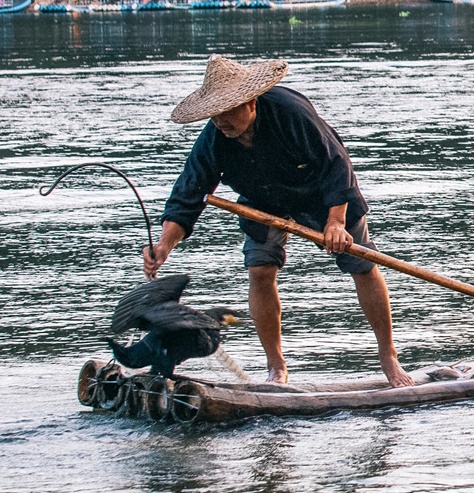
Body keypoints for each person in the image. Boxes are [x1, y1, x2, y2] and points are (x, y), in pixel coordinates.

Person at [144, 54, 413, 387]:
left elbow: (336, 165)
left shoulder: (290, 113)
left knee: (361, 264)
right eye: (214, 116)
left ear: (251, 104)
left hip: (322, 193)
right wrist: (164, 244)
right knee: (259, 269)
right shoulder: (214, 139)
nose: (221, 123)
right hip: (263, 199)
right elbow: (188, 193)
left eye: (228, 112)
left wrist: (336, 223)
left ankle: (388, 356)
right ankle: (276, 368)